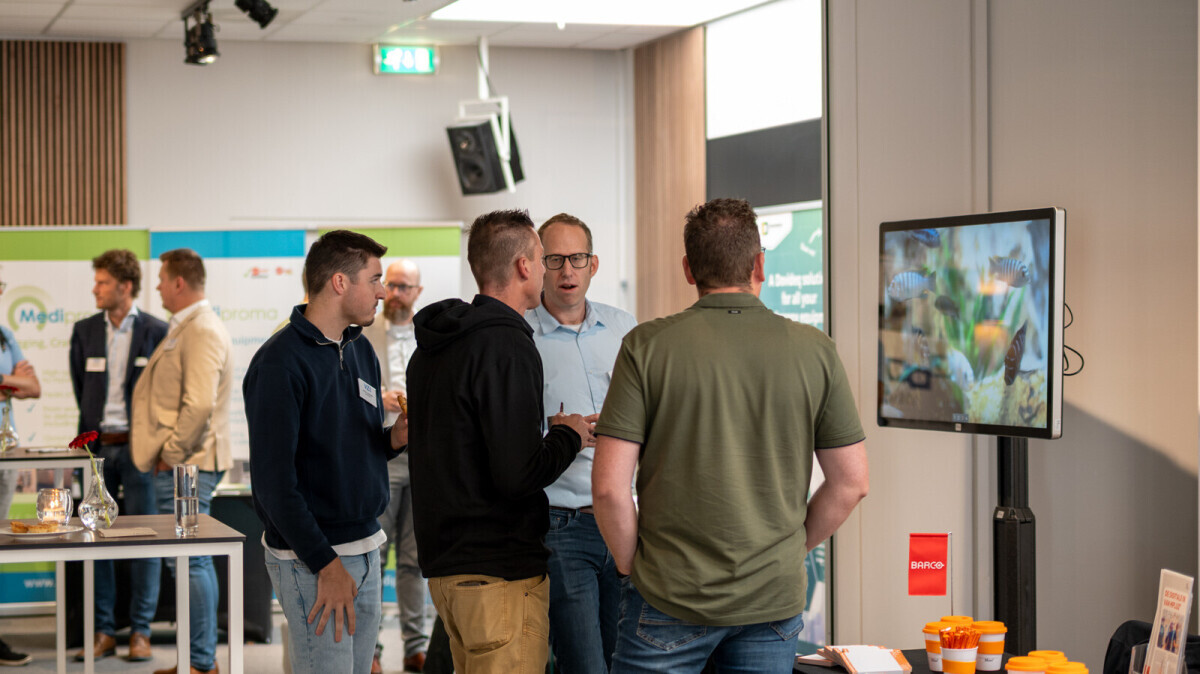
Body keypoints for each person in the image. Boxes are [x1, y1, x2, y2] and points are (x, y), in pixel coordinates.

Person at [593, 198, 870, 674]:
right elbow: (852, 482)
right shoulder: (815, 350)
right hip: (771, 601)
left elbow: (607, 489)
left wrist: (629, 567)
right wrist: (790, 549)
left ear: (688, 269)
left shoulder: (646, 346)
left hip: (668, 594)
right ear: (759, 264)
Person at [407, 209, 590, 674]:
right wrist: (568, 435)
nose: (552, 270)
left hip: (448, 572)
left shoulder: (433, 346)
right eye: (544, 258)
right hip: (499, 574)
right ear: (524, 266)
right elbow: (517, 474)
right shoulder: (506, 344)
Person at [244, 230, 409, 674]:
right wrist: (326, 565)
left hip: (367, 547)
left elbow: (354, 448)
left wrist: (394, 438)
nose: (383, 292)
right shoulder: (279, 363)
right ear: (339, 282)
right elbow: (274, 487)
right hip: (314, 560)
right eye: (374, 280)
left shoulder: (360, 350)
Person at [524, 213, 636, 674]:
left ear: (594, 264)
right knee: (584, 664)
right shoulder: (521, 335)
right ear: (538, 265)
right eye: (554, 259)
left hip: (624, 517)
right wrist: (556, 431)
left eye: (577, 258)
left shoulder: (624, 327)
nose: (567, 271)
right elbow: (504, 435)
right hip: (561, 523)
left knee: (626, 660)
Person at [131, 248, 234, 674]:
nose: (156, 287)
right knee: (187, 559)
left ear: (178, 282)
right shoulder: (188, 326)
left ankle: (202, 663)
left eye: (161, 279)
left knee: (191, 560)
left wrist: (170, 456)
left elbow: (199, 405)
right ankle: (196, 659)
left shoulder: (201, 328)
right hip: (185, 464)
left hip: (187, 464)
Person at [68, 249, 168, 663]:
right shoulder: (84, 330)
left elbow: (163, 392)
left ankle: (141, 631)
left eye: (103, 282)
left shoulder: (157, 330)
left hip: (141, 450)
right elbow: (82, 387)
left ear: (125, 287)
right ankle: (104, 631)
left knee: (147, 537)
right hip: (97, 451)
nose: (95, 289)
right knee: (95, 538)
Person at [361, 259, 428, 673]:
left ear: (418, 292)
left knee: (413, 560)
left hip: (422, 457)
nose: (397, 293)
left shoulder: (430, 335)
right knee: (375, 554)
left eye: (405, 287)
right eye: (392, 285)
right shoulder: (364, 334)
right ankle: (371, 650)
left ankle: (415, 646)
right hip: (380, 453)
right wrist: (378, 397)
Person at [0, 269, 39, 668]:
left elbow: (34, 387)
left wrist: (7, 381)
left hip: (6, 452)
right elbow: (19, 384)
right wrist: (10, 380)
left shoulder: (4, 334)